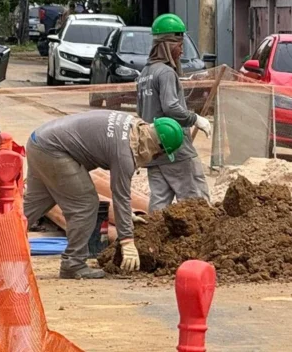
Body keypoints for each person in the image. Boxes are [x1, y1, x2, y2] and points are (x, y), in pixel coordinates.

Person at [23, 110, 184, 279]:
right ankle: (73, 263)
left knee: (34, 205)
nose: (156, 157)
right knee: (85, 204)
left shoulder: (133, 125)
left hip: (39, 141)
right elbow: (121, 195)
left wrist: (126, 215)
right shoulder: (125, 152)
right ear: (156, 145)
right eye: (160, 153)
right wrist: (127, 242)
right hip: (54, 150)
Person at [137, 14, 213, 211]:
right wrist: (195, 119)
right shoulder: (166, 73)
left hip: (153, 150)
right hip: (176, 148)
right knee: (196, 202)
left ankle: (153, 240)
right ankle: (200, 241)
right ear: (168, 45)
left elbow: (140, 109)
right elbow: (170, 107)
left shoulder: (145, 74)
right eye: (180, 44)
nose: (181, 51)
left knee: (159, 205)